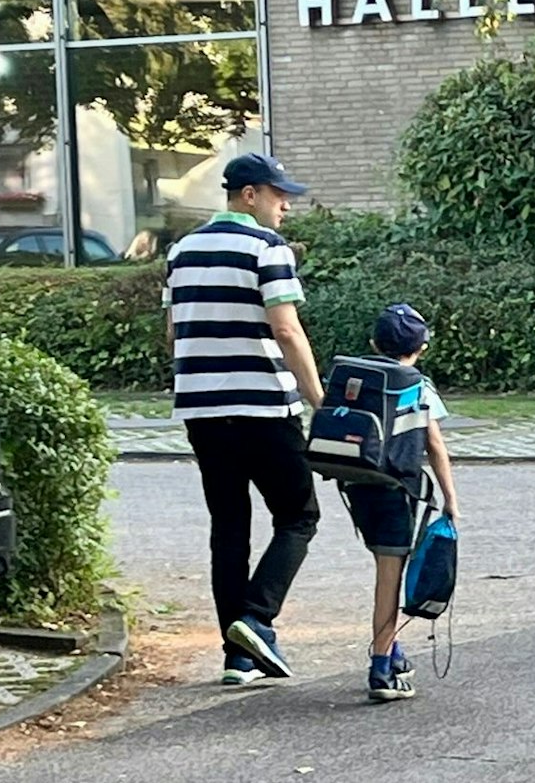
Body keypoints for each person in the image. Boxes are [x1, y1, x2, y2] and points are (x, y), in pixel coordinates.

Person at [164, 153, 326, 687]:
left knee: (229, 527)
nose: (286, 205)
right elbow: (287, 330)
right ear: (248, 195)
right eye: (279, 195)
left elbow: (173, 333)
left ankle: (237, 659)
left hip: (202, 411)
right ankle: (256, 618)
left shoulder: (181, 251)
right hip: (262, 407)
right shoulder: (266, 248)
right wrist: (318, 399)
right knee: (299, 514)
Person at [339, 303, 460, 702]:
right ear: (421, 347)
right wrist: (450, 500)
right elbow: (435, 445)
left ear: (374, 342)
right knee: (389, 579)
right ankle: (381, 669)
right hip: (396, 488)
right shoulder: (417, 384)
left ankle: (392, 647)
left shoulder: (358, 376)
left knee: (384, 564)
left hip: (357, 485)